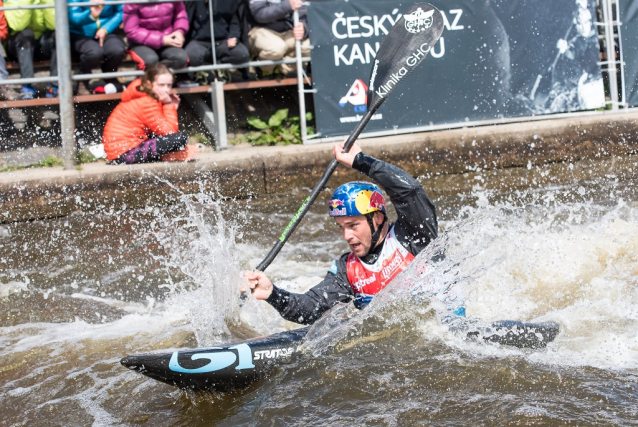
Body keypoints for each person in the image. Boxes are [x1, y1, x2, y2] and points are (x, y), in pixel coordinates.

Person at [243, 142, 438, 325]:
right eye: (341, 227)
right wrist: (272, 294)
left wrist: (362, 162)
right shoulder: (348, 270)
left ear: (377, 219)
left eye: (353, 225)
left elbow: (410, 192)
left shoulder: (413, 235)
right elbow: (312, 308)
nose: (347, 236)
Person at [102, 63, 199, 164]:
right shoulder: (148, 101)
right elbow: (169, 133)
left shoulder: (144, 97)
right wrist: (168, 104)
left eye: (169, 85)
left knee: (172, 138)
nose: (166, 89)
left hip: (122, 152)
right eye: (161, 85)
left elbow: (161, 130)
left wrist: (170, 107)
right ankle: (168, 156)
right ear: (149, 84)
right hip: (123, 154)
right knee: (179, 138)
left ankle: (169, 155)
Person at [68, 0, 127, 95]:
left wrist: (106, 29)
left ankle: (110, 76)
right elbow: (73, 17)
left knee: (117, 50)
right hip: (80, 33)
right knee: (94, 53)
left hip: (106, 31)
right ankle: (83, 80)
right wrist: (91, 15)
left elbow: (121, 11)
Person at [184, 0, 251, 83]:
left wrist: (233, 36)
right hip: (199, 42)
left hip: (223, 42)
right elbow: (187, 20)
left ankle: (221, 69)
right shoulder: (194, 2)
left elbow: (235, 21)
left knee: (242, 54)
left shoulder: (230, 2)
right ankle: (203, 73)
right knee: (191, 55)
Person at [4, 0, 56, 99]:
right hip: (17, 46)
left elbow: (54, 25)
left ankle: (55, 85)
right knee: (27, 34)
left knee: (58, 36)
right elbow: (18, 26)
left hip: (38, 45)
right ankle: (27, 85)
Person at [248, 0, 311, 78]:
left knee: (310, 46)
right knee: (276, 48)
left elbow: (305, 12)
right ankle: (263, 70)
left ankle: (283, 70)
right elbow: (260, 15)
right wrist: (286, 6)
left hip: (288, 31)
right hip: (261, 29)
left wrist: (303, 27)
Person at [124, 1, 189, 71]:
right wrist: (161, 40)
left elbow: (180, 13)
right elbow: (131, 31)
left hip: (168, 39)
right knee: (150, 60)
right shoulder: (132, 2)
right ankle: (149, 77)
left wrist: (179, 30)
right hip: (140, 43)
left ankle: (161, 77)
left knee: (181, 58)